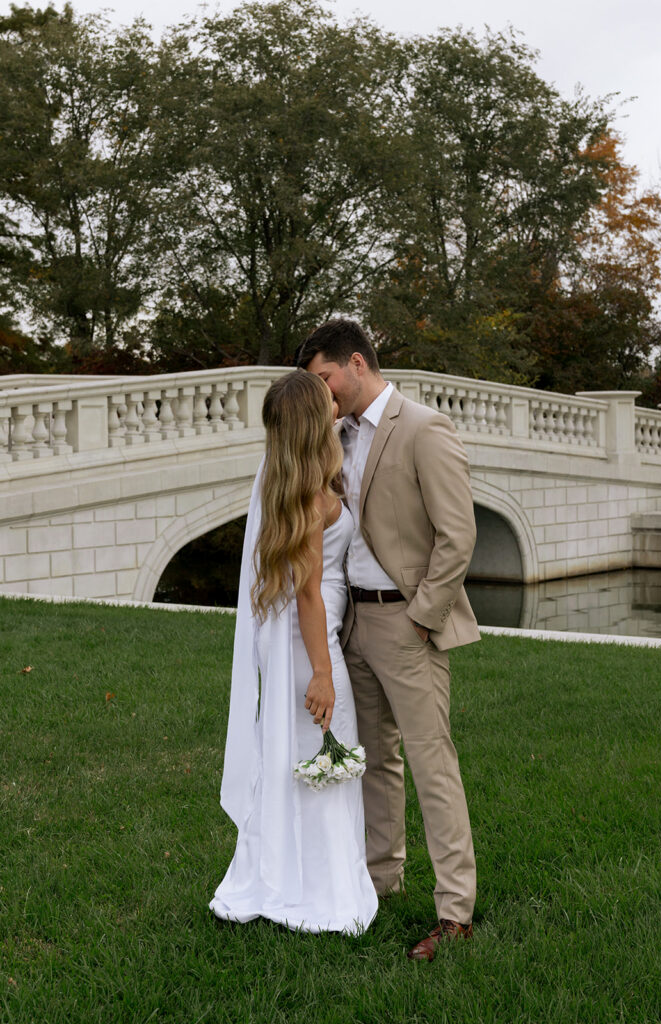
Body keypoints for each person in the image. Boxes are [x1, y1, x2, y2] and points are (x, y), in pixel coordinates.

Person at [296, 318, 480, 961]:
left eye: (324, 380)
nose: (322, 395)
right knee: (374, 763)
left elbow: (458, 536)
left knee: (433, 766)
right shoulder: (334, 436)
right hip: (354, 626)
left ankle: (455, 911)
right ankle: (381, 883)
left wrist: (422, 616)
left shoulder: (424, 430)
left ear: (355, 362)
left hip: (408, 623)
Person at [210, 369, 378, 934]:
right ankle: (323, 889)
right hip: (311, 636)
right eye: (327, 399)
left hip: (283, 636)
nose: (336, 401)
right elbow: (308, 591)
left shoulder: (288, 474)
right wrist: (324, 674)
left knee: (290, 753)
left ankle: (284, 869)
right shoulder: (310, 490)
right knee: (326, 748)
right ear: (314, 417)